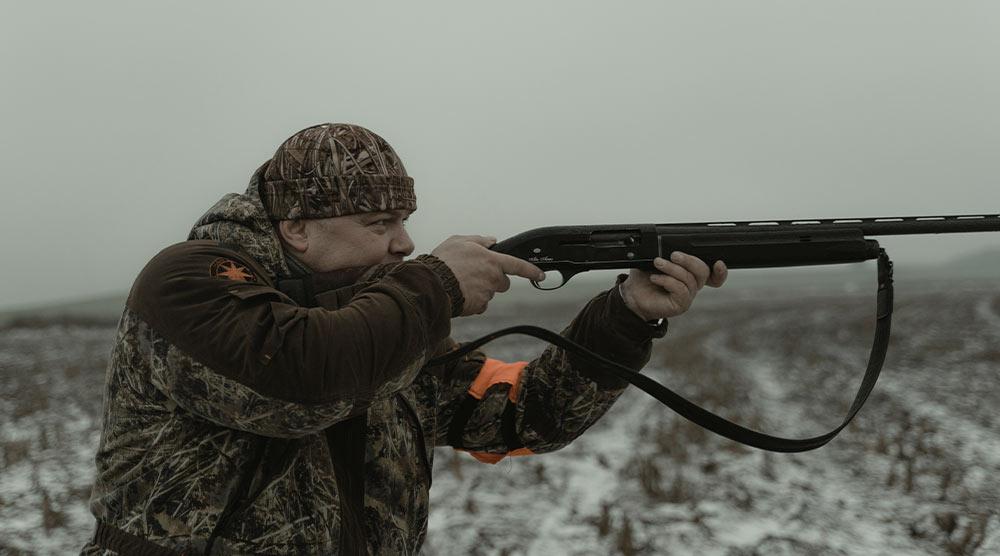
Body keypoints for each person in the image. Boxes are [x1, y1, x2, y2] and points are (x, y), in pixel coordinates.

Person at [82, 123, 727, 555]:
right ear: (300, 226)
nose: (405, 243)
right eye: (380, 222)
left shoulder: (378, 320)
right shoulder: (189, 282)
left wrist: (627, 316)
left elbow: (523, 414)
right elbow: (304, 380)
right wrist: (435, 288)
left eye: (405, 221)